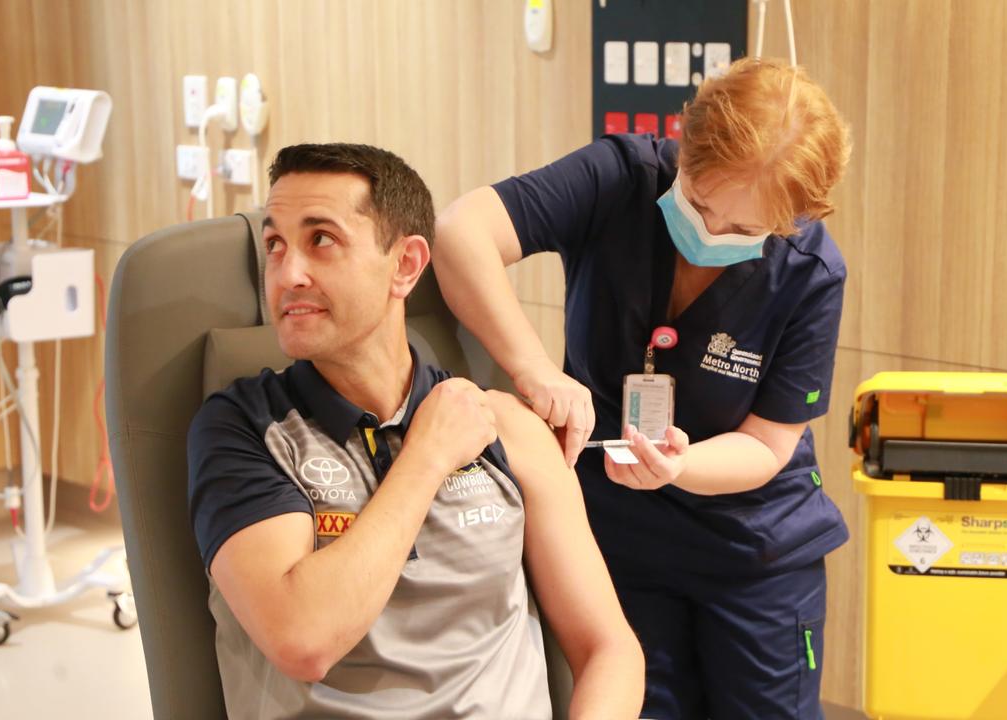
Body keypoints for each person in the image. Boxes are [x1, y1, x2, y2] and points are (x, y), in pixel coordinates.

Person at [432, 58, 852, 719]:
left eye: (743, 231)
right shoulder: (619, 180)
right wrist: (534, 368)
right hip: (617, 537)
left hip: (752, 550)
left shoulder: (810, 275)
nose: (711, 234)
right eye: (700, 203)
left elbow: (768, 447)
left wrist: (681, 465)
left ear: (792, 220)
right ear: (682, 144)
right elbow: (461, 232)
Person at [186, 143, 644, 719]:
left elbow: (609, 648)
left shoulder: (505, 429)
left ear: (405, 265)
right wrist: (426, 455)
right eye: (275, 245)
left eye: (320, 240)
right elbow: (303, 639)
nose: (287, 273)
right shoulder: (243, 429)